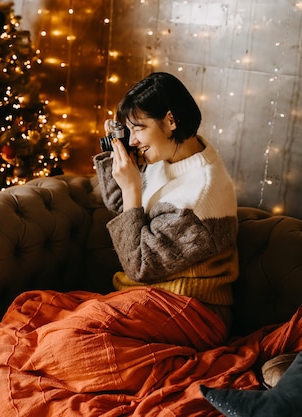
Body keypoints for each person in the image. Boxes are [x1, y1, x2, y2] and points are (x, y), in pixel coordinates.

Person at [93, 71, 238, 330]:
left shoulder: (199, 193)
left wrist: (131, 189)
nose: (134, 140)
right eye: (129, 130)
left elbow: (138, 265)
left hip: (193, 311)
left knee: (71, 340)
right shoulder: (170, 158)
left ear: (170, 120)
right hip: (153, 298)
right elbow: (123, 208)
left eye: (138, 128)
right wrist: (113, 152)